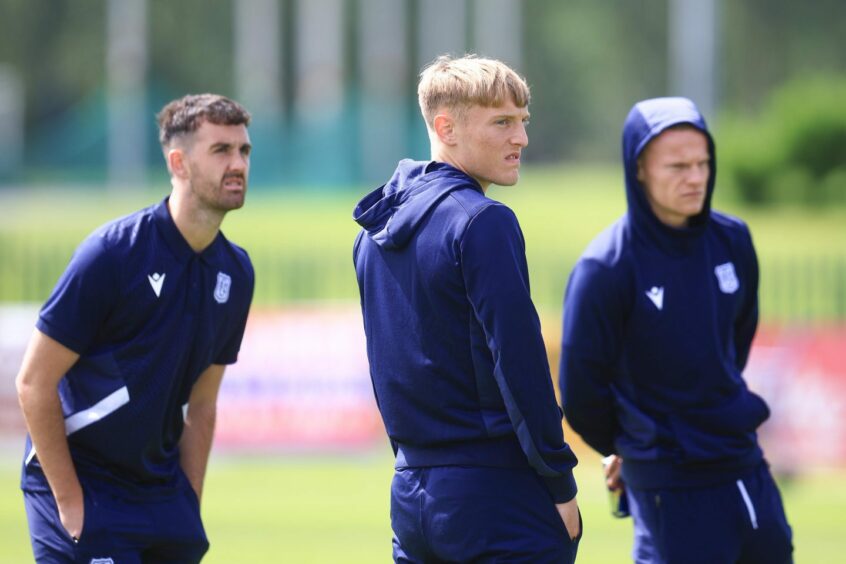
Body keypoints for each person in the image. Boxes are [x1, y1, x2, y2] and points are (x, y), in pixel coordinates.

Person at [352, 54, 581, 563]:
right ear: (445, 127)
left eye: (523, 121)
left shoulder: (372, 237)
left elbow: (386, 373)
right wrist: (561, 484)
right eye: (502, 122)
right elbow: (521, 364)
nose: (520, 138)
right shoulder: (482, 222)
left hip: (412, 495)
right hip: (496, 496)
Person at [16, 93, 255, 563]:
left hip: (161, 492)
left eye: (244, 151)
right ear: (179, 162)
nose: (238, 164)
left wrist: (189, 501)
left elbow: (202, 406)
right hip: (85, 483)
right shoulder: (112, 254)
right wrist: (69, 502)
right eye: (221, 151)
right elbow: (33, 382)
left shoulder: (236, 272)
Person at [559, 97, 793, 563]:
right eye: (678, 165)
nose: (696, 177)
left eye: (704, 163)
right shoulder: (606, 266)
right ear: (639, 167)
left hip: (745, 465)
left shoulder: (734, 240)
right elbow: (581, 391)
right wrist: (631, 444)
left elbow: (734, 343)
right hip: (669, 481)